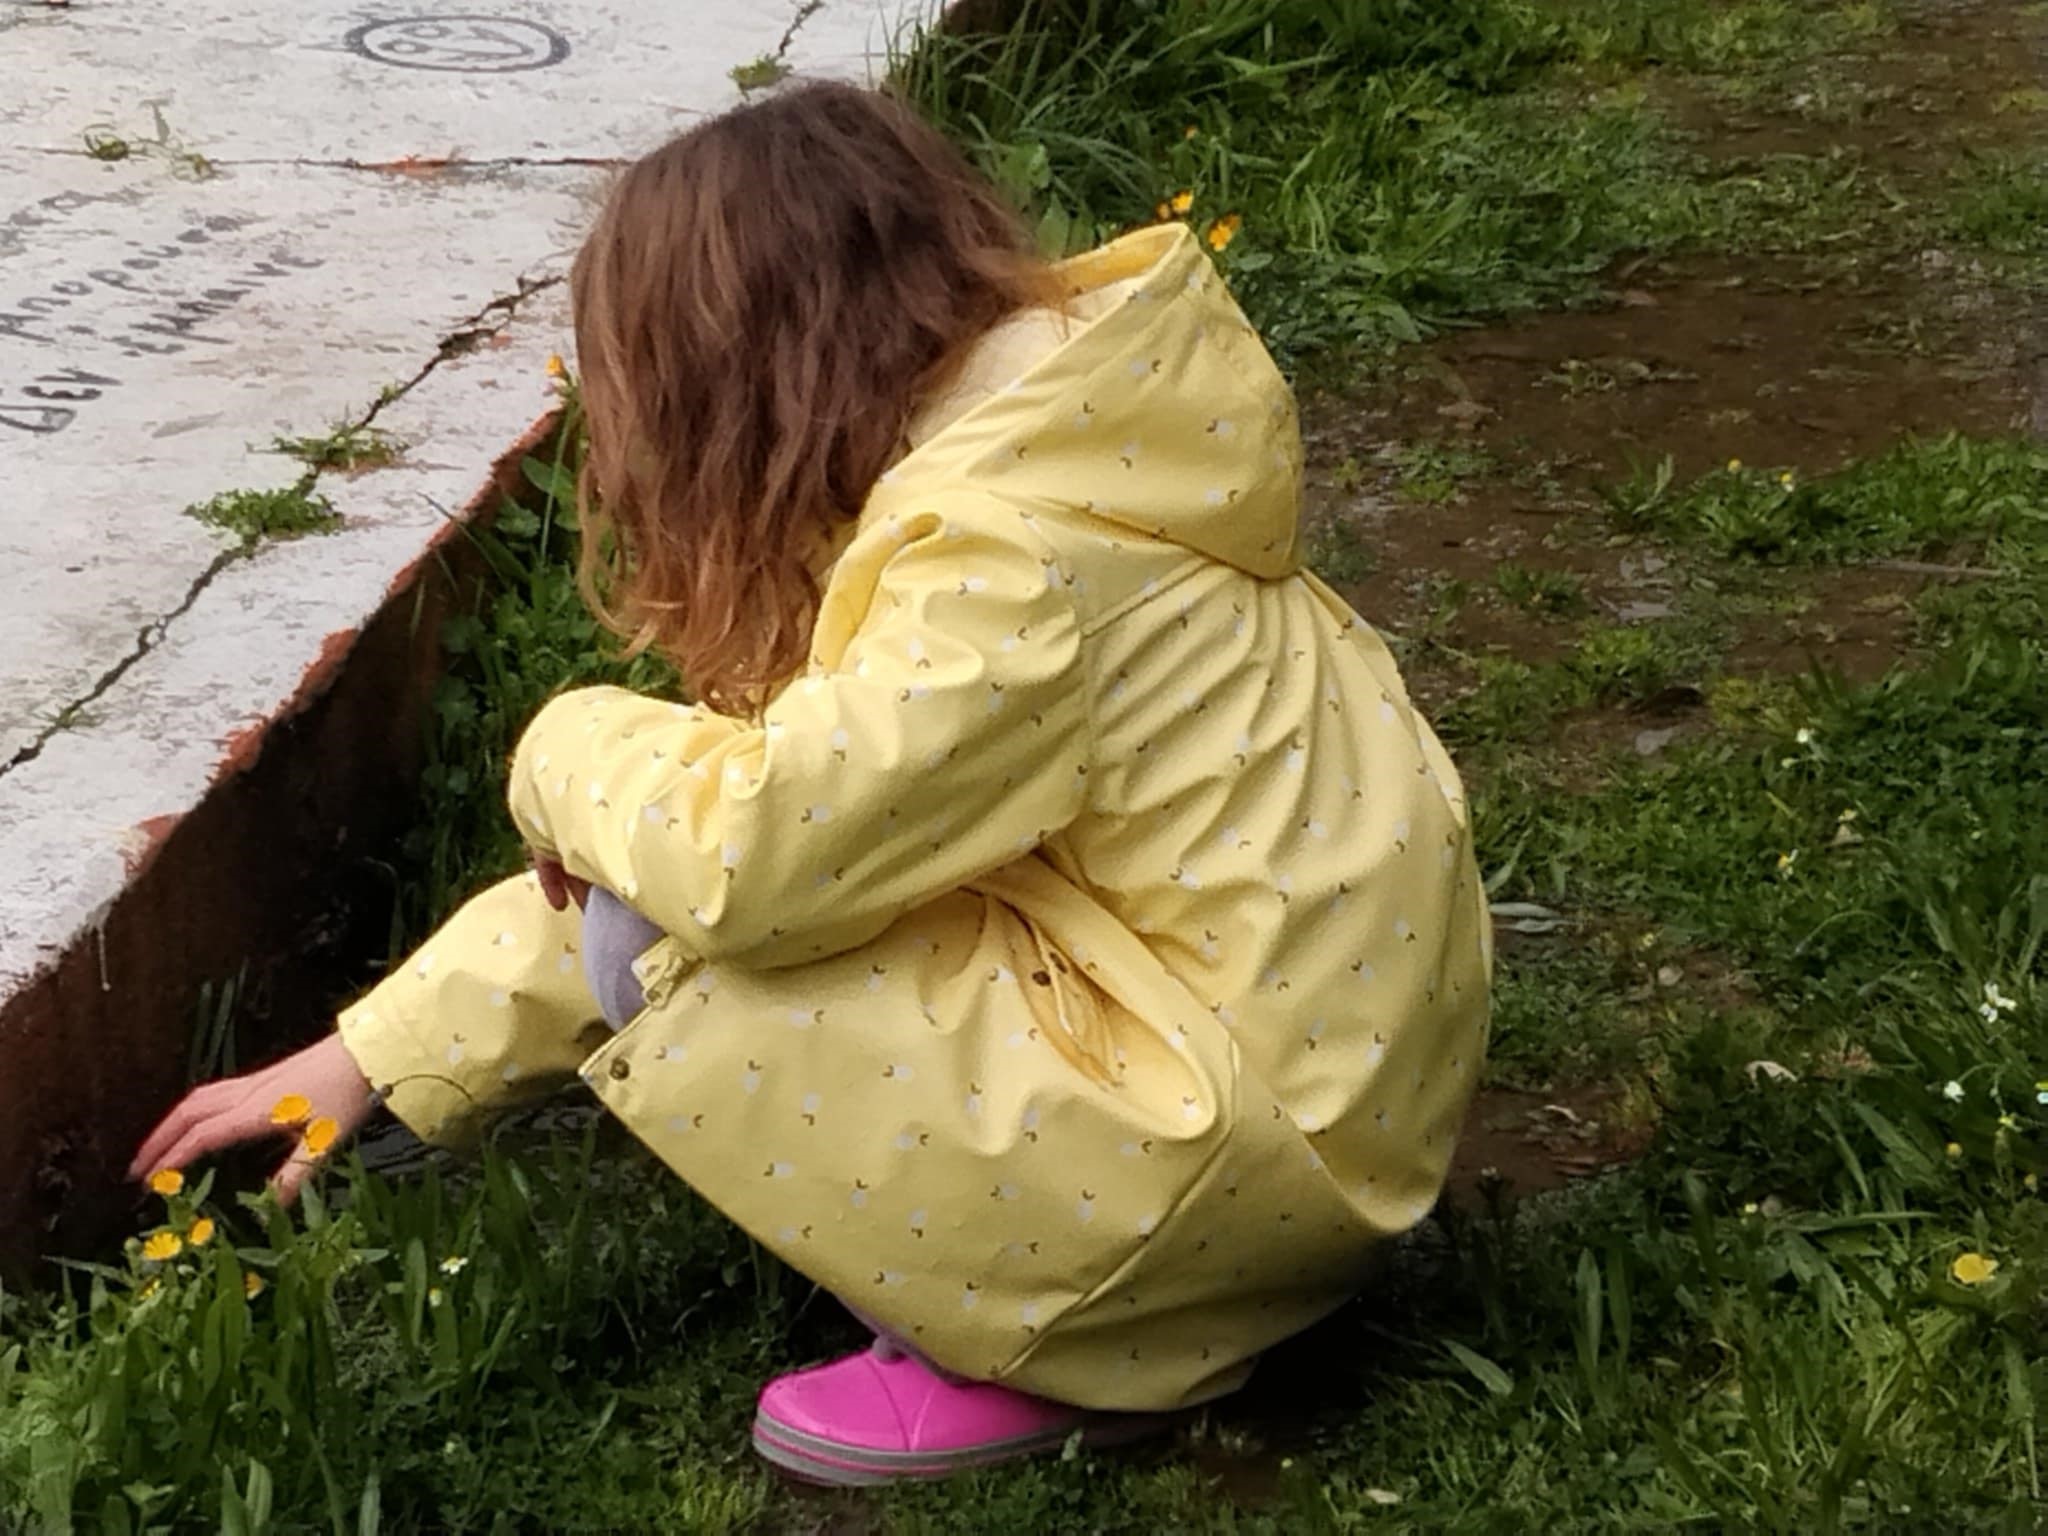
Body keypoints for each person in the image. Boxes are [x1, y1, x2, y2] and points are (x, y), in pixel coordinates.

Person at [132, 81, 1491, 1486]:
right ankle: (1107, 1270)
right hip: (1306, 1120)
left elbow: (750, 860)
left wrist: (557, 746)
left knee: (672, 910)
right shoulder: (1057, 449)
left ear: (730, 385)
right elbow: (775, 827)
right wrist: (379, 1052)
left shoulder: (996, 564)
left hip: (1220, 1185)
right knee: (691, 851)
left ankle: (1071, 1348)